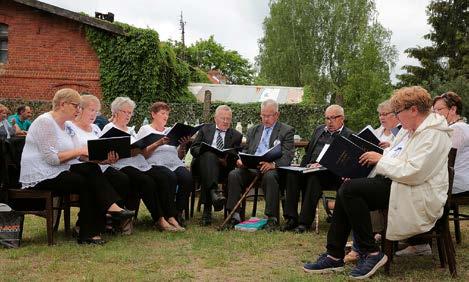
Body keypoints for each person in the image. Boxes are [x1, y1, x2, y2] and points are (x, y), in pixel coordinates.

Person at [303, 86, 452, 279]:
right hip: (400, 183)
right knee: (347, 189)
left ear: (414, 110)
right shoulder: (410, 130)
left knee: (350, 190)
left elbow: (414, 172)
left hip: (416, 191)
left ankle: (369, 252)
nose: (397, 118)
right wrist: (363, 167)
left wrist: (380, 159)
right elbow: (395, 156)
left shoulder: (433, 134)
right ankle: (335, 254)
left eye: (398, 113)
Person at [19, 88, 134, 245]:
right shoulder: (45, 122)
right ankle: (100, 221)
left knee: (91, 171)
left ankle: (92, 229)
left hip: (60, 169)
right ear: (62, 104)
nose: (78, 110)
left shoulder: (66, 125)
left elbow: (79, 156)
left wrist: (102, 161)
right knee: (85, 181)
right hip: (41, 174)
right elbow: (52, 159)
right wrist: (80, 150)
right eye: (76, 106)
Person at [394, 91, 469, 256]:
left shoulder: (456, 129)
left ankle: (418, 241)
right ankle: (406, 235)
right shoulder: (457, 127)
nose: (434, 114)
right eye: (433, 110)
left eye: (439, 110)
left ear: (453, 109)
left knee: (410, 186)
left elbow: (439, 160)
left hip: (455, 182)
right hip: (457, 179)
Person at [102, 97, 184, 232]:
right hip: (122, 164)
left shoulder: (130, 130)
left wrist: (152, 144)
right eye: (125, 112)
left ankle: (171, 216)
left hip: (140, 162)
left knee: (165, 177)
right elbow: (105, 150)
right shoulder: (109, 128)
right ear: (116, 112)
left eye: (130, 113)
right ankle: (159, 219)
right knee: (147, 182)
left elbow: (143, 151)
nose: (128, 115)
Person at [224, 99, 295, 231]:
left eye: (269, 116)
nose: (265, 119)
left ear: (277, 115)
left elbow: (288, 155)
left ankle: (271, 218)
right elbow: (246, 150)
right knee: (234, 174)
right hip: (251, 167)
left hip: (271, 169)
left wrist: (273, 164)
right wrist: (241, 160)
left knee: (270, 176)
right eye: (263, 115)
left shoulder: (286, 131)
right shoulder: (253, 130)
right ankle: (235, 215)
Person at [281, 105, 353, 233]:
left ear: (342, 118)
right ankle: (291, 218)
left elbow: (345, 163)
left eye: (333, 118)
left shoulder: (349, 135)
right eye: (327, 118)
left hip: (330, 174)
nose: (329, 122)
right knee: (292, 175)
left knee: (314, 179)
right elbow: (308, 152)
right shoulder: (319, 130)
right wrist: (302, 167)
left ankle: (304, 222)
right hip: (309, 169)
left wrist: (323, 166)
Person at [67, 94, 133, 233]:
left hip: (98, 164)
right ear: (80, 109)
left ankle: (110, 220)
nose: (94, 115)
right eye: (91, 110)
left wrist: (108, 158)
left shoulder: (95, 128)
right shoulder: (70, 127)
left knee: (122, 179)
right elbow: (72, 152)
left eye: (96, 112)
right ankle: (89, 221)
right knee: (97, 178)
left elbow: (99, 148)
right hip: (78, 166)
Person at [345, 100, 401, 262]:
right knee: (351, 186)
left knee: (357, 191)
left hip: (387, 177)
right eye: (380, 114)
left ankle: (359, 246)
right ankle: (359, 243)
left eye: (386, 114)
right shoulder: (376, 132)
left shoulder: (400, 134)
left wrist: (387, 149)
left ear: (396, 115)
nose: (382, 118)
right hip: (370, 172)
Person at [137, 101, 193, 227]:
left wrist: (183, 145)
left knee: (187, 178)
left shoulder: (170, 131)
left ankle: (177, 213)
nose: (165, 116)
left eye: (167, 114)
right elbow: (142, 154)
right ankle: (168, 215)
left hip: (174, 162)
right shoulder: (145, 129)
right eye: (162, 113)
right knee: (170, 177)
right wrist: (158, 143)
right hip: (155, 163)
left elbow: (179, 156)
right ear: (153, 114)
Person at [190, 105, 243, 226]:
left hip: (223, 169)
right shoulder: (205, 129)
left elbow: (235, 156)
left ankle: (207, 211)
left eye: (228, 119)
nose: (225, 121)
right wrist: (206, 153)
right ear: (215, 118)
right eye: (222, 118)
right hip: (201, 166)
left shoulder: (236, 135)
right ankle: (214, 193)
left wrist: (226, 161)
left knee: (210, 167)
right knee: (209, 156)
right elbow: (193, 149)